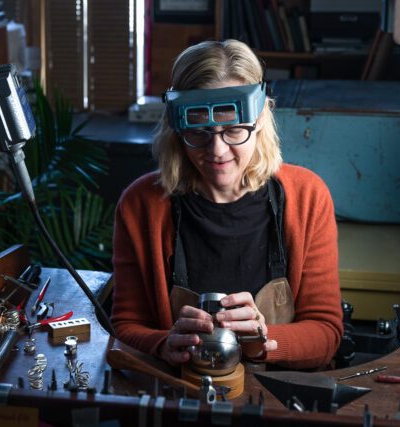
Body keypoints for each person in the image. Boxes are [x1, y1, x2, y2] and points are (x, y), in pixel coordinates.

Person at [110, 39, 343, 370]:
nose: (217, 150)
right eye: (200, 133)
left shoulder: (307, 197)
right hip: (181, 393)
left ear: (260, 117)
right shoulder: (140, 205)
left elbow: (327, 334)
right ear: (177, 127)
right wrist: (163, 343)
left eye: (234, 130)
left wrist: (264, 342)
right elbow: (125, 327)